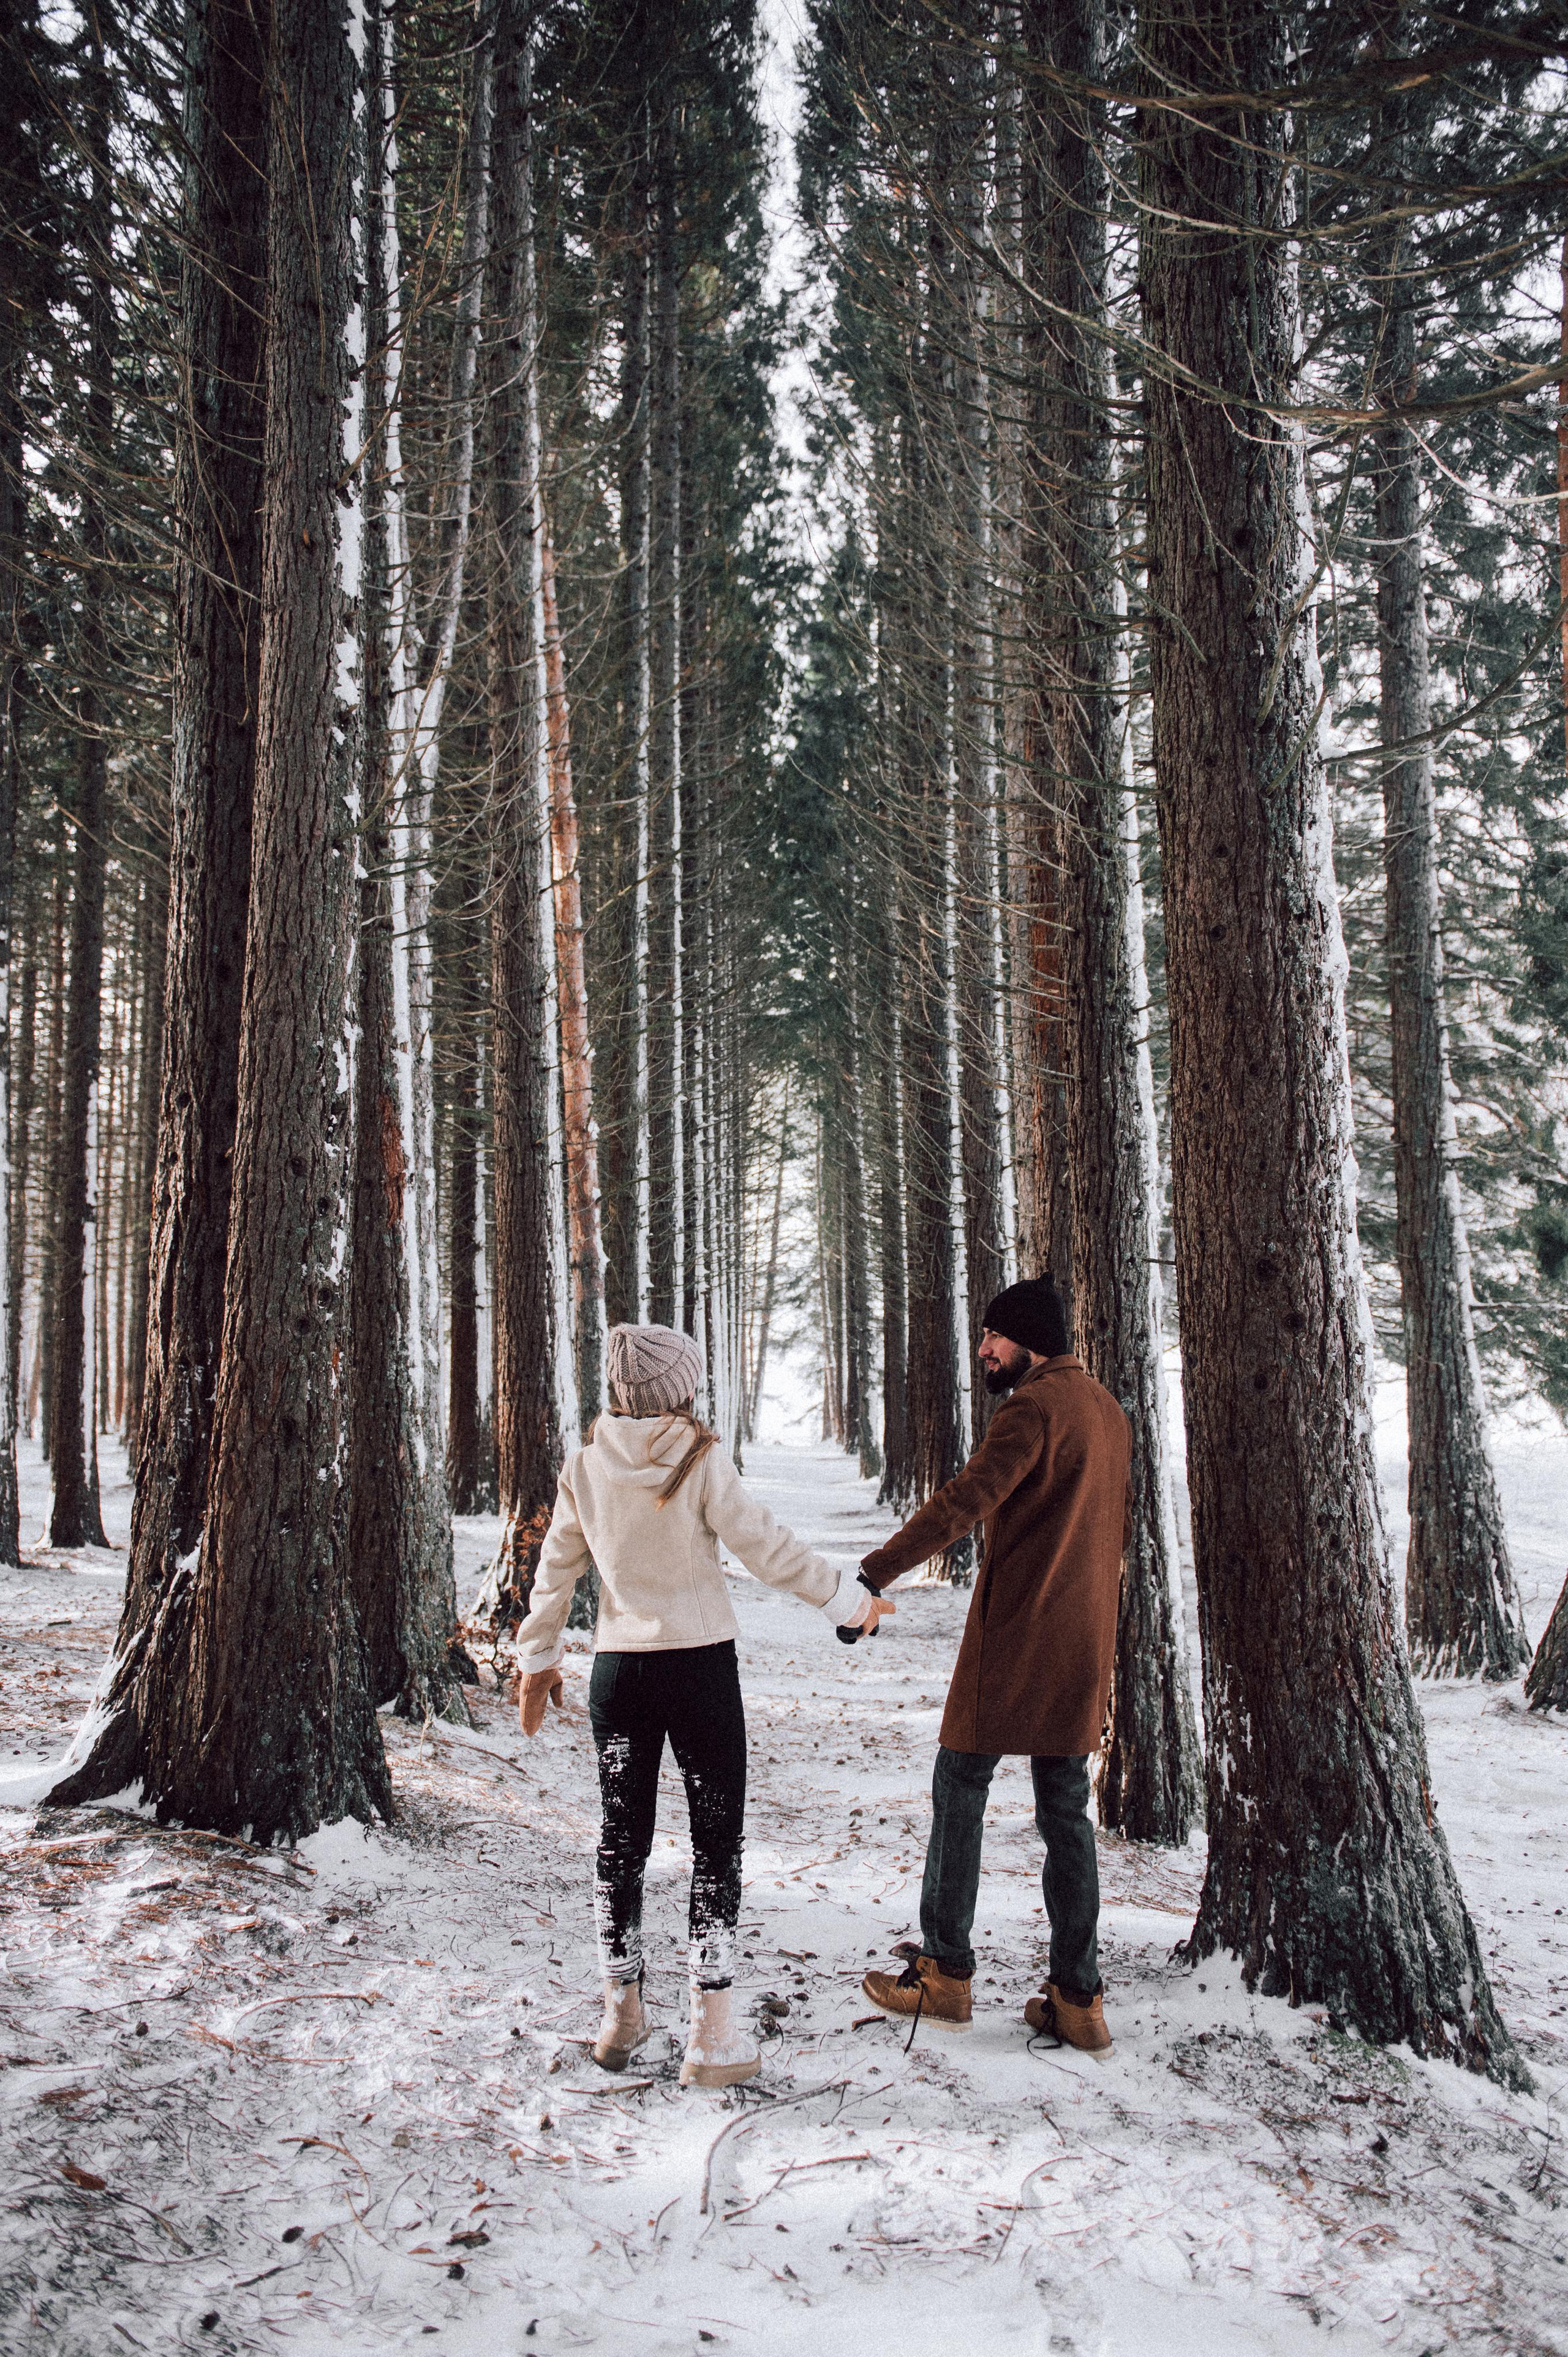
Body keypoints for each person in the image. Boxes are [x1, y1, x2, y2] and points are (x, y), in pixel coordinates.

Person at [514, 1321, 883, 2088]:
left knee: (622, 1843)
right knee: (716, 1845)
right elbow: (765, 1544)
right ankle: (712, 2033)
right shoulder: (699, 1457)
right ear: (677, 1389)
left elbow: (556, 1570)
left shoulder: (585, 1466)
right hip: (700, 1671)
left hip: (620, 1676)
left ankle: (621, 2014)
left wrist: (538, 1656)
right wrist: (846, 1602)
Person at [857, 1277, 1131, 2056]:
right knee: (1065, 1811)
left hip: (1016, 1637)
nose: (983, 1350)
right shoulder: (1108, 1412)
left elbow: (962, 1502)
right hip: (1083, 1645)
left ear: (1030, 1341)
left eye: (994, 1337)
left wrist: (875, 1572)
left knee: (959, 1785)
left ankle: (943, 1974)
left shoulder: (1031, 1409)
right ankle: (1077, 1998)